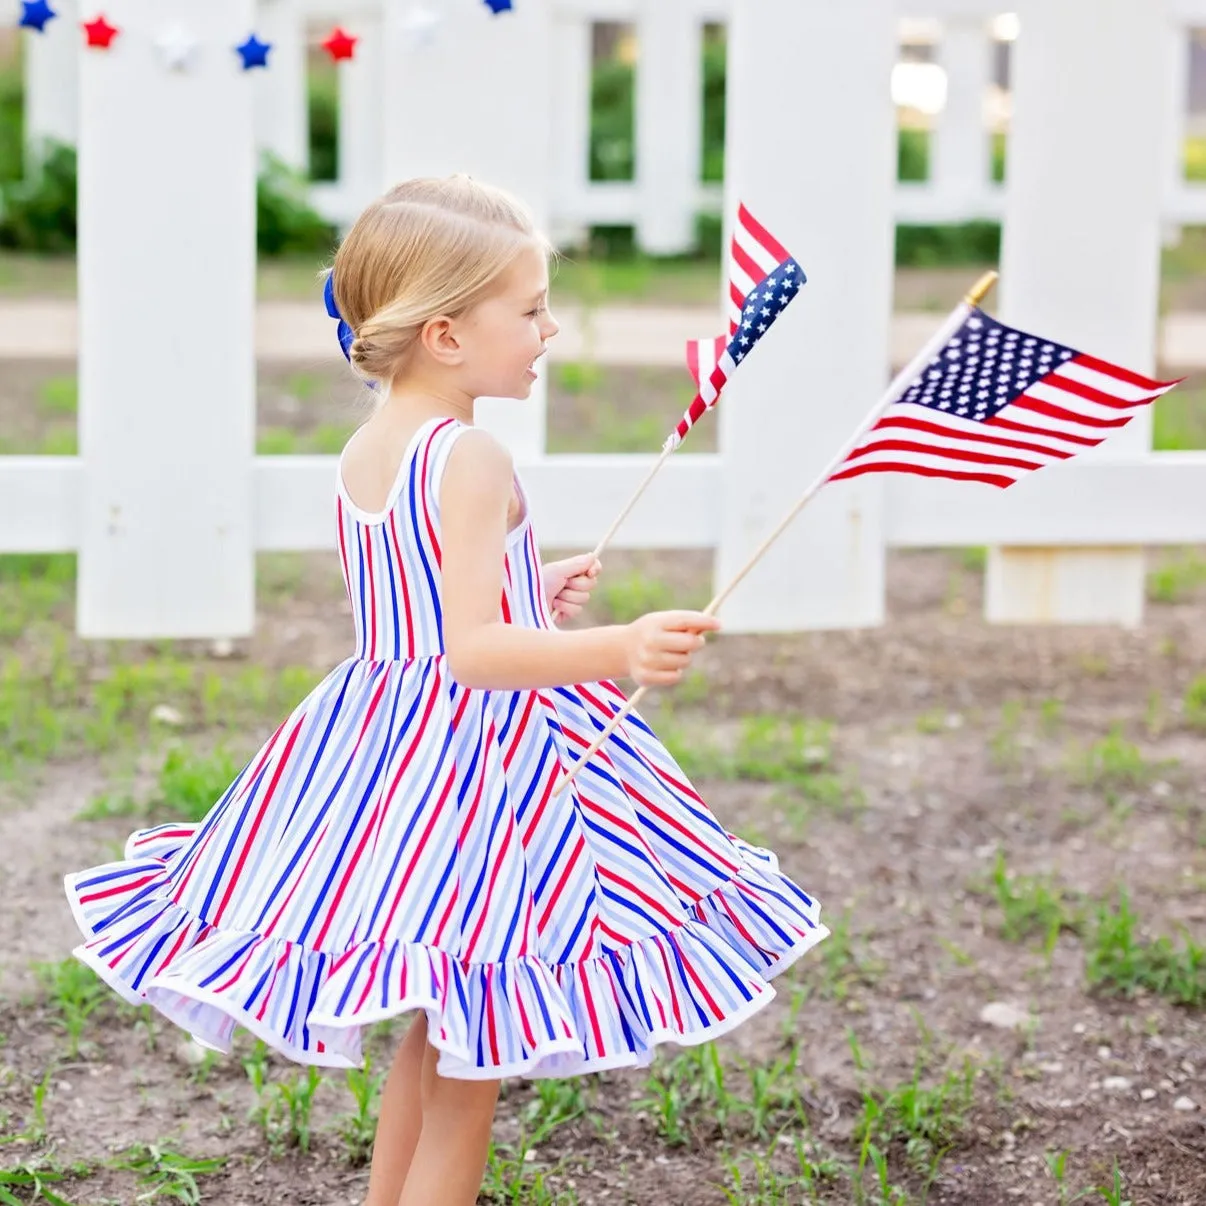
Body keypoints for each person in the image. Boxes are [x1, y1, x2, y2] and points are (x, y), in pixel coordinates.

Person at [63, 175, 828, 1206]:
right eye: (529, 308)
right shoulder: (470, 454)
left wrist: (533, 586)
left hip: (385, 753)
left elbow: (417, 608)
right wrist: (622, 645)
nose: (551, 328)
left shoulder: (372, 443)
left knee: (439, 1027)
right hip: (475, 779)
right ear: (447, 335)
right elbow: (470, 652)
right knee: (472, 1071)